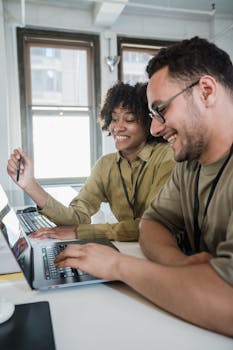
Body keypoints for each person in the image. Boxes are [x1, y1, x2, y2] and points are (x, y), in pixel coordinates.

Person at [53, 37, 233, 337]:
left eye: (160, 110)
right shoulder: (190, 163)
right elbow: (153, 222)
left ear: (206, 91)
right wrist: (182, 265)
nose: (155, 129)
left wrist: (118, 267)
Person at [7, 81, 174, 241]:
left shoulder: (167, 157)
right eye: (114, 119)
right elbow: (76, 218)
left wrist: (83, 232)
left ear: (148, 123)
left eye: (129, 119)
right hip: (127, 250)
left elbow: (152, 226)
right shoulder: (105, 165)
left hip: (169, 255)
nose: (118, 127)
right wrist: (30, 185)